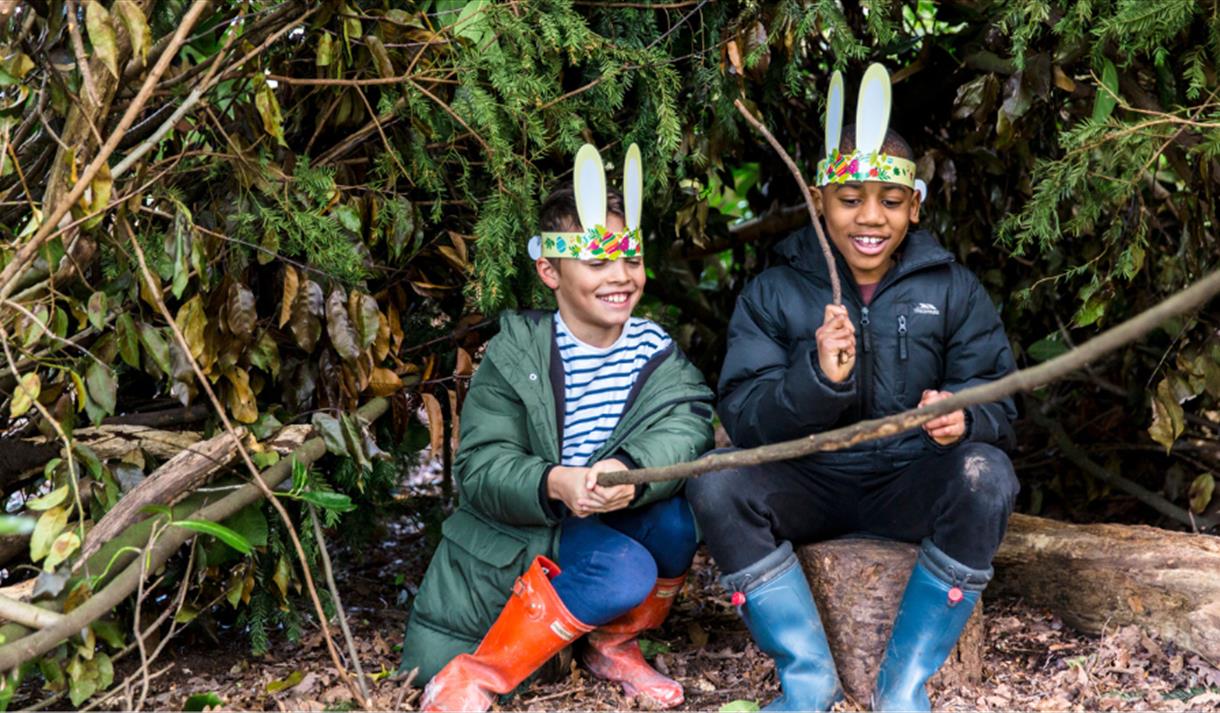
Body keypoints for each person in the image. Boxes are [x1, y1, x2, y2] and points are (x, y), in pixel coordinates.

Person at [687, 64, 1020, 711]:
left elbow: (1002, 399)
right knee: (714, 478)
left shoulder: (951, 287)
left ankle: (903, 685)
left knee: (986, 472)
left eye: (891, 201)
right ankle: (808, 680)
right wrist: (816, 378)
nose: (871, 218)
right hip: (808, 482)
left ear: (915, 205)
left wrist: (965, 417)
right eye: (850, 199)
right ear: (818, 198)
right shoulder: (776, 288)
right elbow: (746, 415)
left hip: (909, 483)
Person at [400, 143, 715, 712]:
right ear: (550, 270)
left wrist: (628, 472)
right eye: (597, 263)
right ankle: (482, 671)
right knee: (626, 570)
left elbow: (687, 421)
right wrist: (553, 481)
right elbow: (480, 467)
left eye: (632, 259)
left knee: (675, 524)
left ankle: (614, 644)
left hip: (603, 511)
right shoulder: (515, 352)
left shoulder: (652, 348)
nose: (621, 277)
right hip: (529, 526)